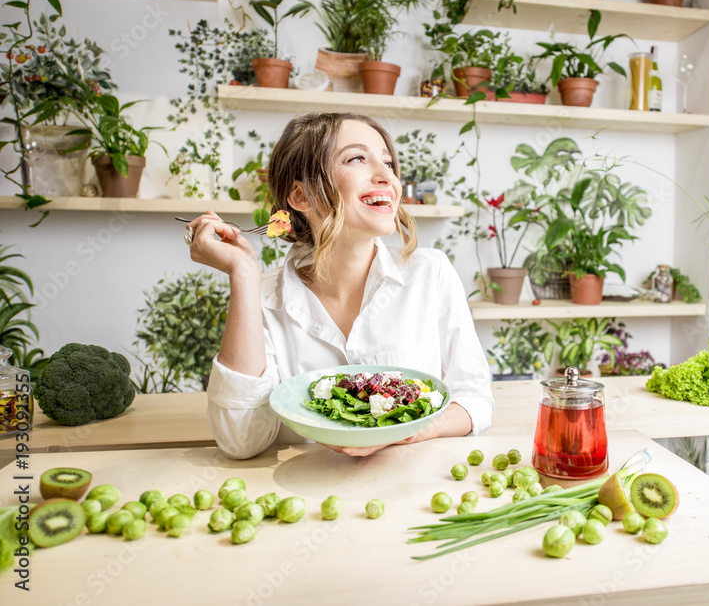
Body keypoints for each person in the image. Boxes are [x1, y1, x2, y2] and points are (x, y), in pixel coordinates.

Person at [183, 112, 493, 459]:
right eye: (357, 158)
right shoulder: (262, 295)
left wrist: (405, 430)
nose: (386, 176)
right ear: (301, 196)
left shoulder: (430, 273)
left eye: (389, 163)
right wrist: (242, 273)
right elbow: (240, 440)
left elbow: (474, 398)